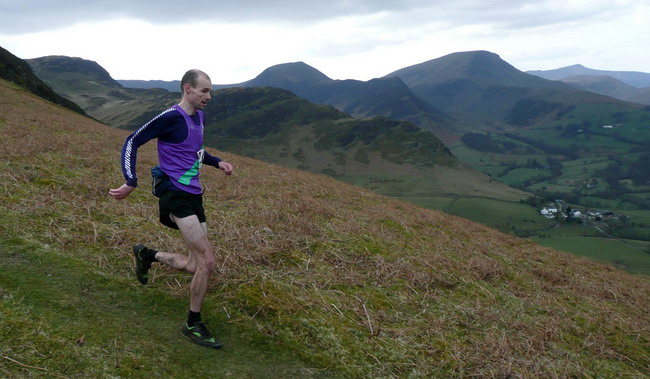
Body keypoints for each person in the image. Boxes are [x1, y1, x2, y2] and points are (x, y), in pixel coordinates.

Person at [109, 69, 233, 349]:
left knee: (194, 264)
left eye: (210, 91)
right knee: (208, 261)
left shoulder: (198, 117)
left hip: (194, 195)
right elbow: (132, 140)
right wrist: (131, 181)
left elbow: (195, 151)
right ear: (188, 88)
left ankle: (147, 254)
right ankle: (193, 323)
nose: (209, 97)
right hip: (174, 194)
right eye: (204, 91)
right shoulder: (170, 117)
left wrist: (217, 162)